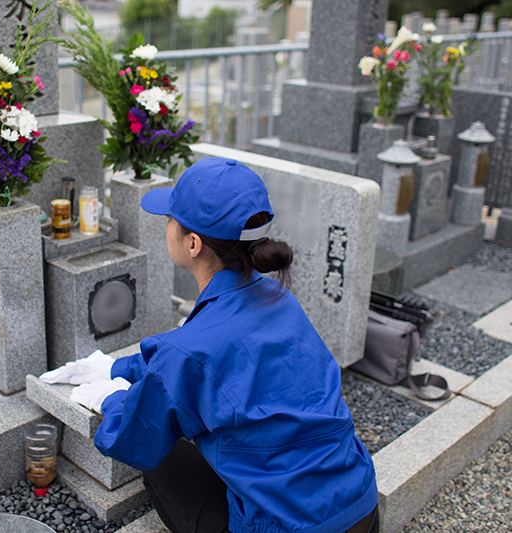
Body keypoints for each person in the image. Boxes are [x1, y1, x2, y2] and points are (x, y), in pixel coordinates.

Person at [40, 158, 379, 533]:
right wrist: (118, 367)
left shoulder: (190, 349)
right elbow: (200, 359)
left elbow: (134, 439)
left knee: (164, 462)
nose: (166, 226)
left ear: (193, 243)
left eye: (171, 218)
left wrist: (111, 400)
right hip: (360, 506)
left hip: (288, 528)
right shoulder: (276, 296)